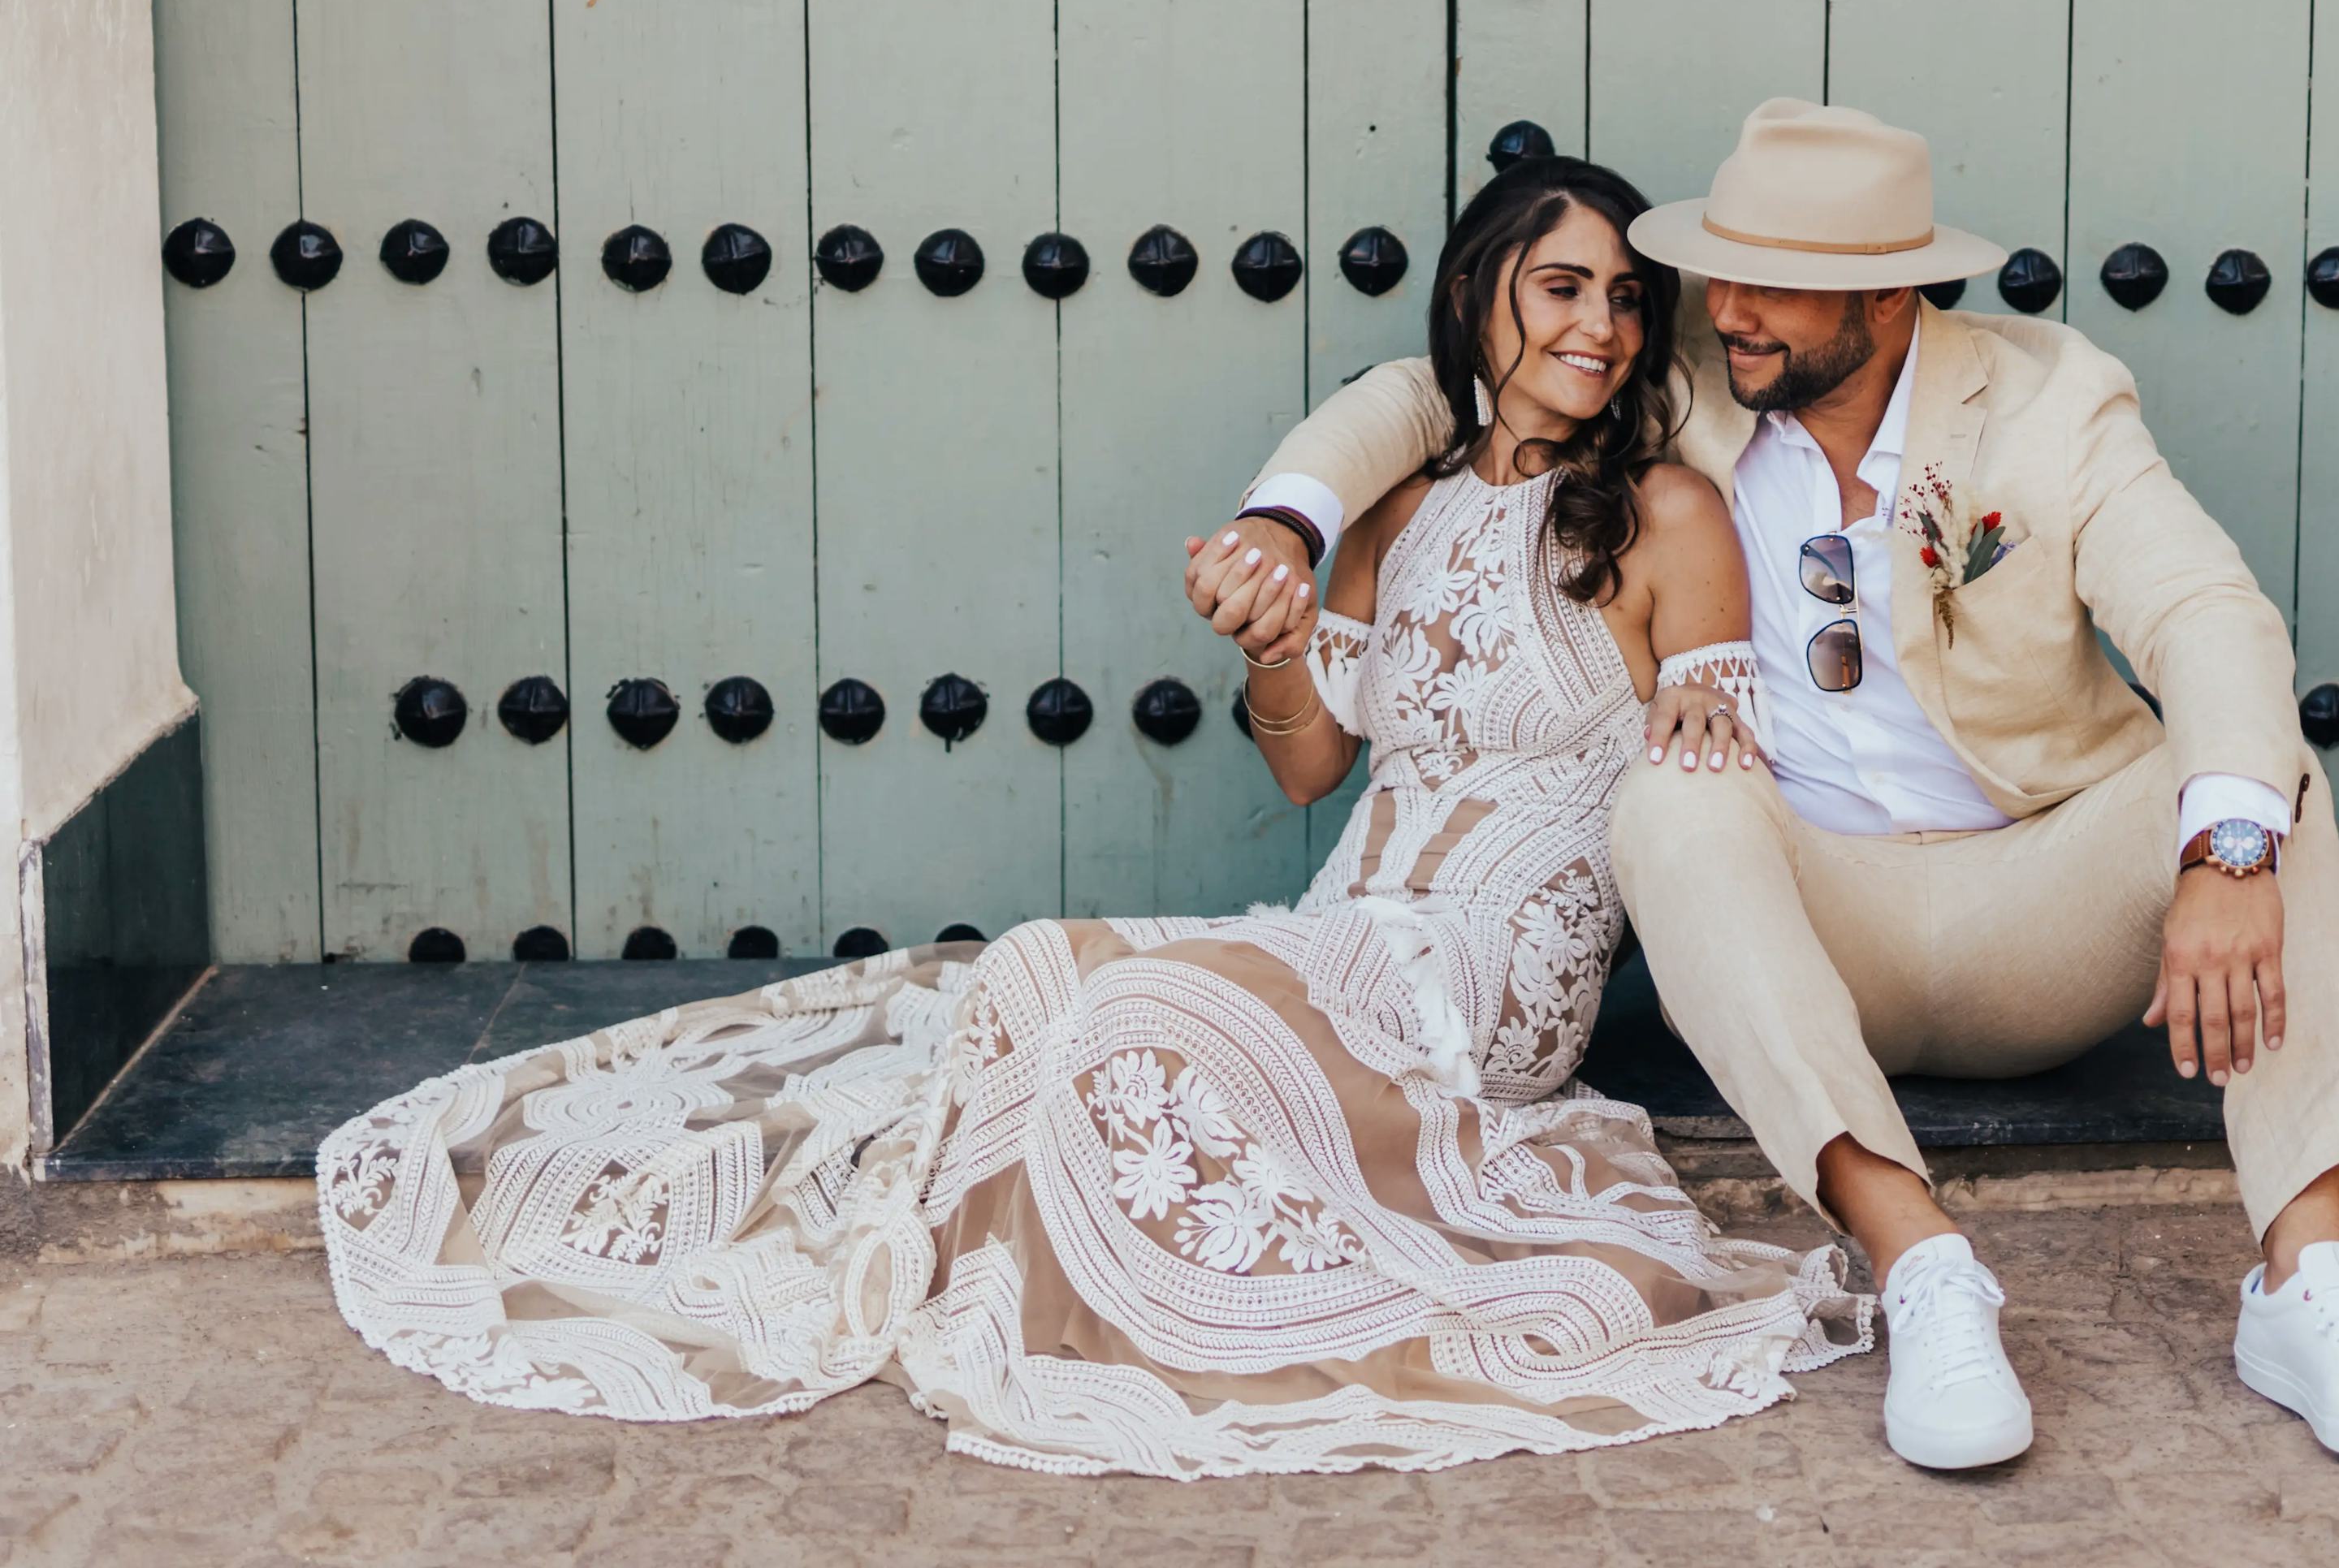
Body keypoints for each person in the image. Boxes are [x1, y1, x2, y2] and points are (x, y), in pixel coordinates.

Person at [316, 159, 1868, 1480]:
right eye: (1560, 289)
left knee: (1114, 998)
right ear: (1483, 304)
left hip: (1493, 977)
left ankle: (1064, 1299)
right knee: (1025, 975)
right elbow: (1312, 771)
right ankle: (920, 1252)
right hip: (1353, 924)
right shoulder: (1397, 520)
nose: (1598, 327)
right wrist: (1275, 650)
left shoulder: (1664, 511)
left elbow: (1715, 719)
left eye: (1619, 300)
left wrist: (1699, 710)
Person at [1196, 98, 2339, 1472]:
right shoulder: (1693, 373)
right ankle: (1921, 1267)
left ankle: (2309, 1282)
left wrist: (2225, 858)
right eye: (1718, 272)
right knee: (1673, 794)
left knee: (2264, 777)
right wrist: (1288, 519)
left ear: (1888, 293)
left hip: (2038, 900)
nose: (1723, 307)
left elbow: (2207, 610)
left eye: (1771, 285)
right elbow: (1430, 390)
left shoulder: (2052, 403)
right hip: (1812, 915)